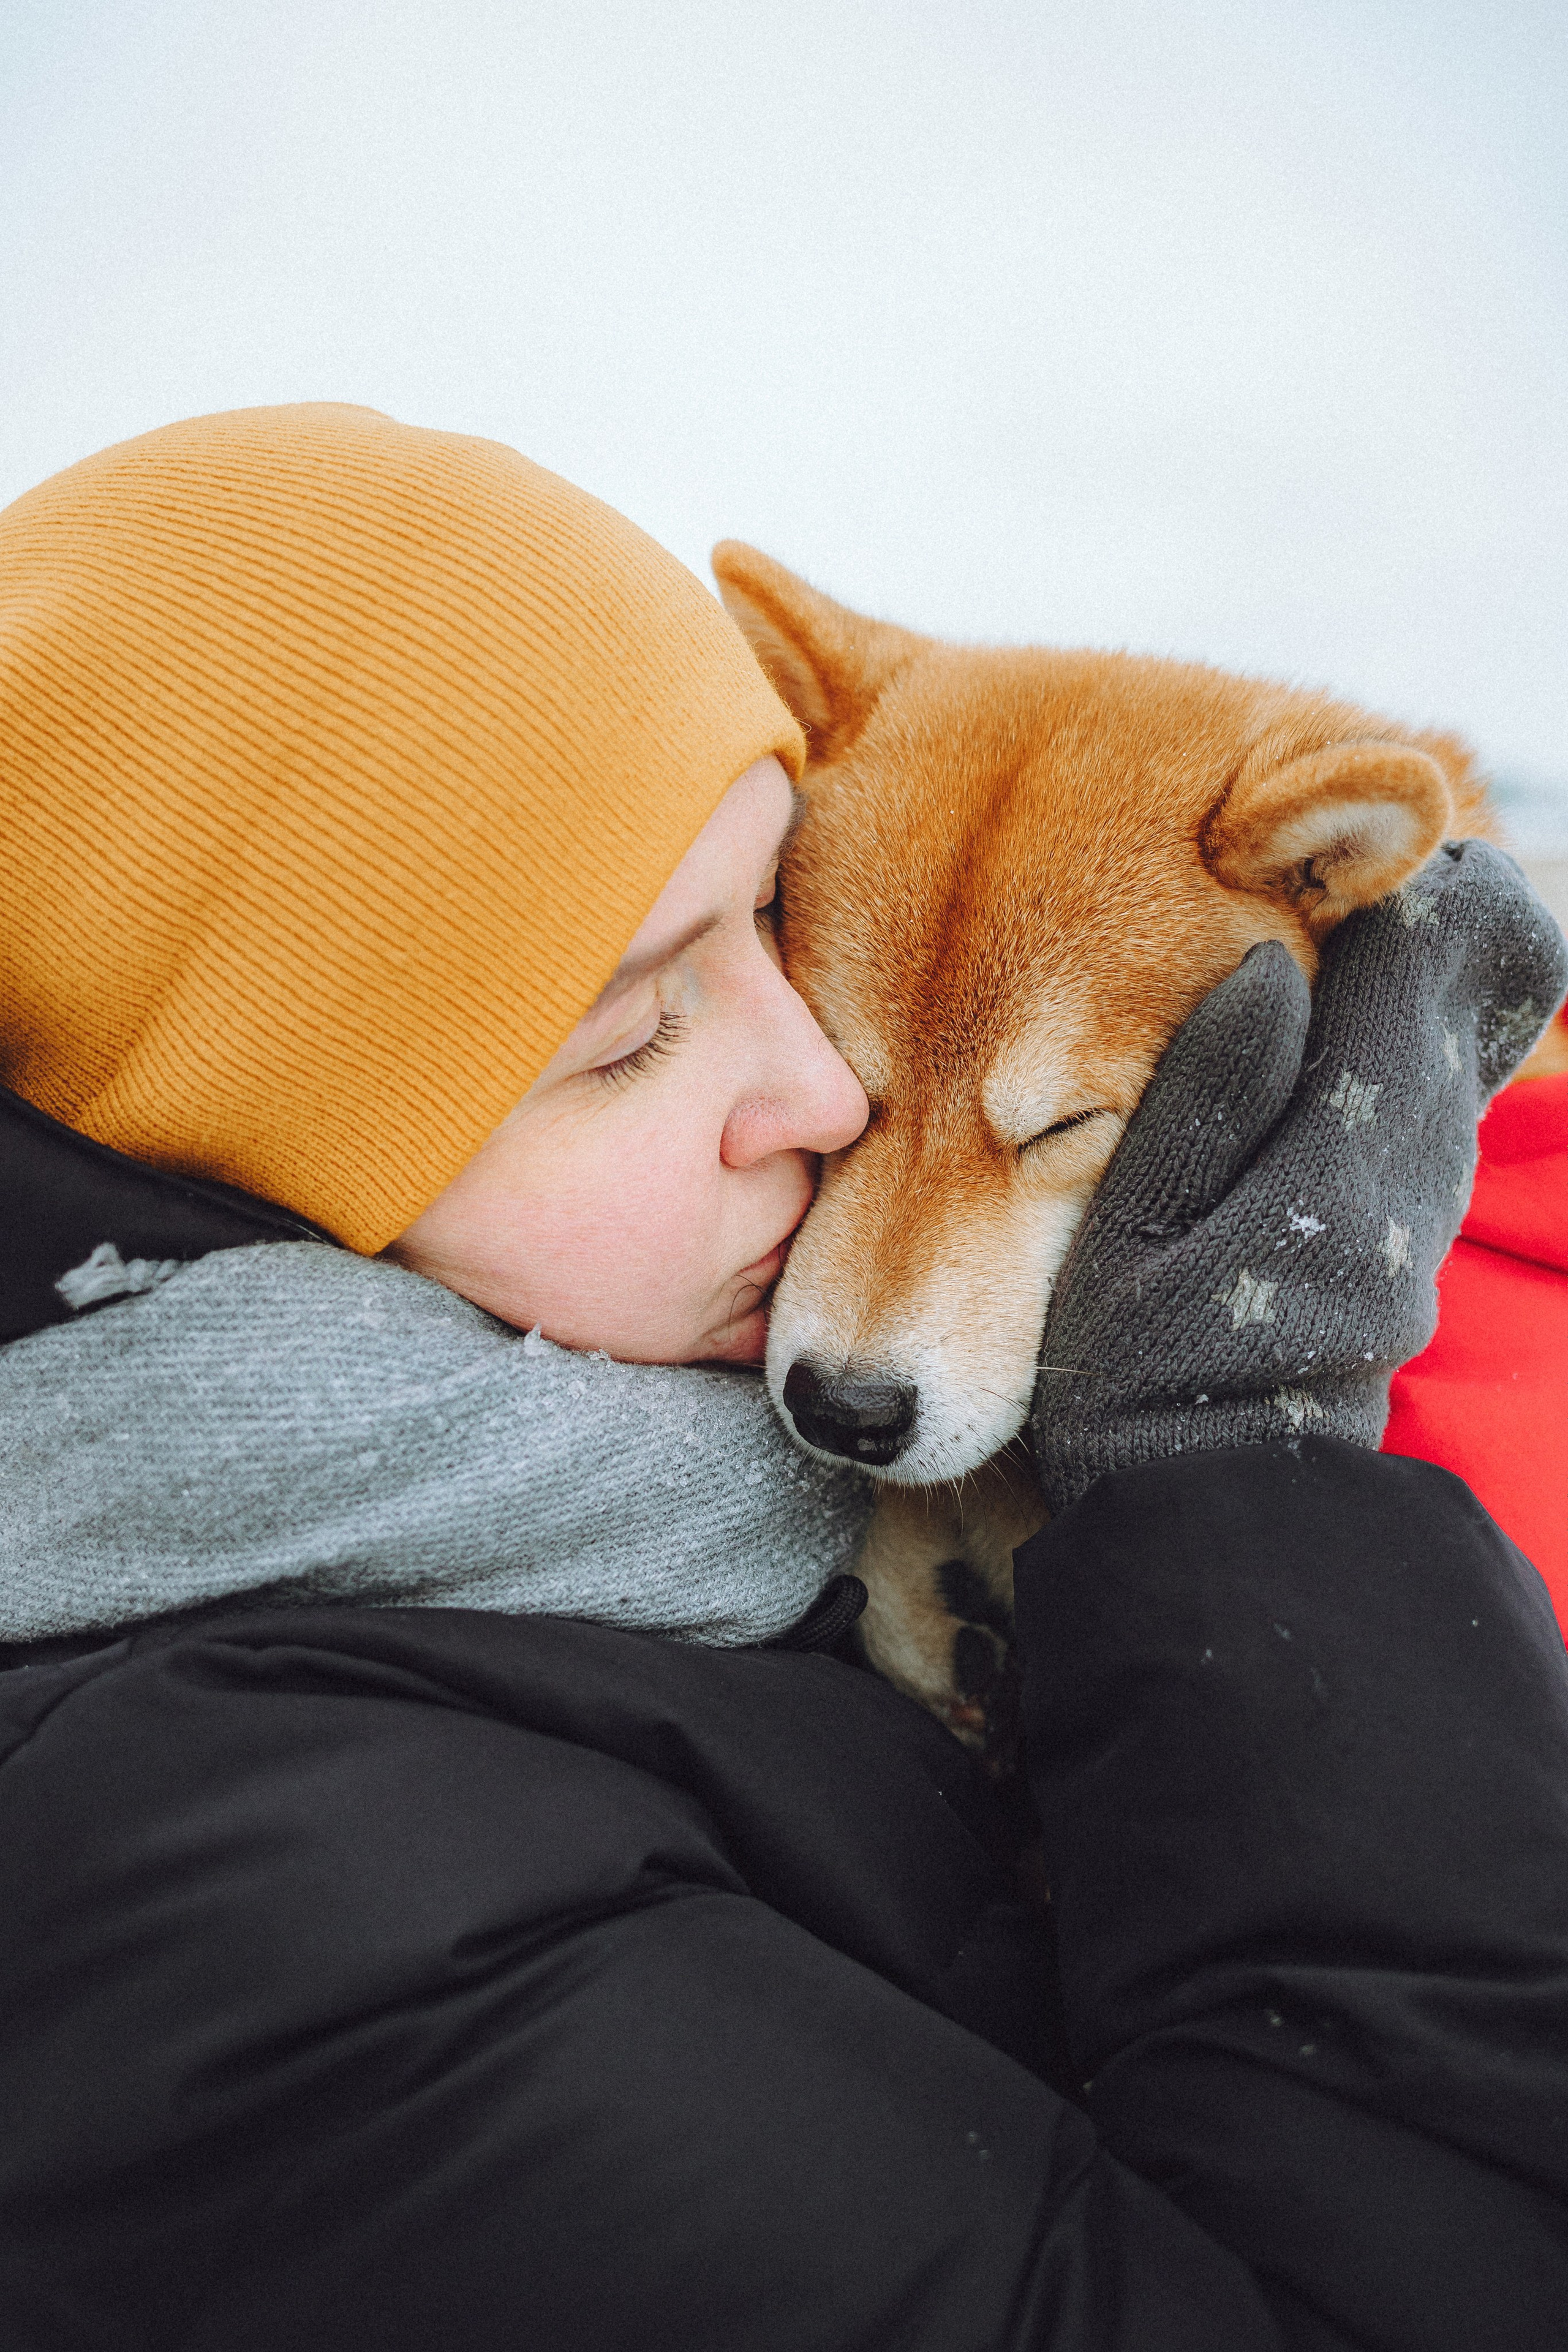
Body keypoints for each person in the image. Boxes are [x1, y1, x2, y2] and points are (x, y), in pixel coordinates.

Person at [1, 404, 1566, 2352]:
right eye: (642, 1030)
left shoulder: (650, 1506)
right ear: (281, 1132)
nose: (824, 1093)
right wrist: (1241, 1504)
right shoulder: (245, 1902)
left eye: (775, 931)